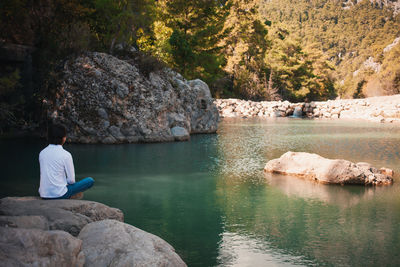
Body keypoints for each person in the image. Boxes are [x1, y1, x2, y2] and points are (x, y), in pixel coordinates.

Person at [39, 123, 94, 199]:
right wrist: (64, 183)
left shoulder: (42, 153)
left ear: (48, 137)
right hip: (60, 194)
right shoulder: (66, 155)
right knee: (90, 181)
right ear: (64, 138)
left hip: (44, 194)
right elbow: (71, 180)